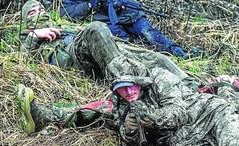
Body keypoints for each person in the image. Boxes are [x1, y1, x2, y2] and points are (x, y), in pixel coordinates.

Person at [17, 72, 239, 146]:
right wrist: (132, 131)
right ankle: (45, 116)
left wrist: (151, 118)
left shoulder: (162, 81)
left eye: (131, 86)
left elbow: (177, 113)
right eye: (122, 89)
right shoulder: (121, 107)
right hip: (189, 142)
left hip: (211, 114)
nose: (129, 92)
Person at [20, 0, 198, 84]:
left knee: (155, 57)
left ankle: (191, 83)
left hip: (104, 47)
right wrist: (34, 35)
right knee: (97, 27)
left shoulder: (59, 25)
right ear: (24, 20)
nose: (40, 13)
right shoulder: (29, 38)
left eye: (41, 9)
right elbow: (22, 65)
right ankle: (126, 80)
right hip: (76, 56)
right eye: (33, 12)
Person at [58, 0, 190, 59]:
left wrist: (120, 3)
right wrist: (88, 5)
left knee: (149, 33)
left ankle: (178, 52)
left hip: (129, 14)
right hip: (106, 22)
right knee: (125, 44)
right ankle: (146, 58)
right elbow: (66, 12)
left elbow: (135, 4)